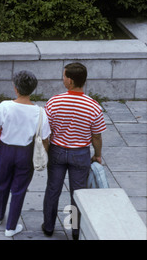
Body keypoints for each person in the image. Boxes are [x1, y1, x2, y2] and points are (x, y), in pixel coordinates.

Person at [42, 62, 106, 239]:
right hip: (80, 153)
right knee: (77, 194)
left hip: (57, 151)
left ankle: (48, 226)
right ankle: (75, 230)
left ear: (69, 81)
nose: (62, 78)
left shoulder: (54, 102)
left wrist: (46, 151)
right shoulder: (93, 106)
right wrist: (98, 155)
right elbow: (97, 136)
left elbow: (46, 131)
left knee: (53, 189)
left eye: (64, 76)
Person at [0, 71, 50, 237]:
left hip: (5, 151)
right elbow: (45, 139)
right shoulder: (40, 112)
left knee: (1, 184)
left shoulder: (5, 106)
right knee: (19, 189)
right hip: (26, 153)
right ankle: (11, 226)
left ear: (15, 88)